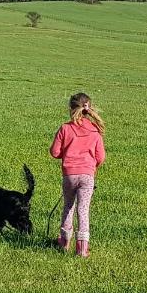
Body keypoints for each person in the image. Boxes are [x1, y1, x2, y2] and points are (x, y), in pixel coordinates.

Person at [49, 92, 106, 258]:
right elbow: (100, 157)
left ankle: (64, 241)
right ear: (89, 107)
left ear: (70, 108)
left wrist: (67, 153)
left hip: (69, 175)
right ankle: (82, 248)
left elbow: (54, 152)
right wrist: (91, 165)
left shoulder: (65, 128)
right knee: (83, 210)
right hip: (87, 176)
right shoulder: (95, 131)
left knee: (68, 207)